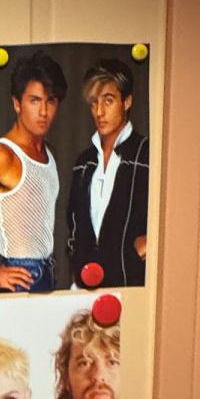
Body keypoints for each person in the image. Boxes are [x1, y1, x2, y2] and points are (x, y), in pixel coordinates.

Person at [0, 49, 67, 292]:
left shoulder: (49, 153)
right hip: (19, 276)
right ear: (17, 103)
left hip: (48, 273)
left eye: (50, 101)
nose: (43, 112)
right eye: (34, 100)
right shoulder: (3, 155)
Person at [67, 58, 149, 287]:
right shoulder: (84, 162)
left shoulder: (147, 154)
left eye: (108, 100)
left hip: (130, 286)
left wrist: (150, 243)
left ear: (127, 101)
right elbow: (73, 227)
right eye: (94, 102)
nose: (99, 111)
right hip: (84, 288)